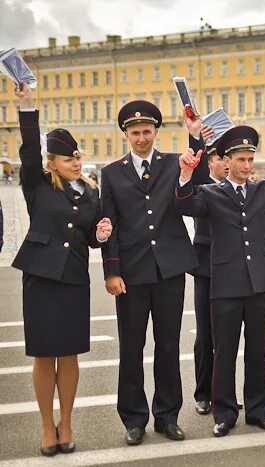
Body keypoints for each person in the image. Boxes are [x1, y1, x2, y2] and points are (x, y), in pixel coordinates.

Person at [175, 126, 265, 437]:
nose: (247, 165)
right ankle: (224, 413)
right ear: (227, 161)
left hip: (257, 283)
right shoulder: (211, 193)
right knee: (224, 351)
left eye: (250, 159)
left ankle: (258, 411)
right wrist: (185, 176)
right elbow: (185, 205)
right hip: (224, 285)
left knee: (256, 351)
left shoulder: (261, 190)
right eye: (241, 159)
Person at [12, 82, 112, 456]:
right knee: (43, 355)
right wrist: (27, 106)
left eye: (77, 157)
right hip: (39, 277)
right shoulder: (37, 185)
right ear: (52, 161)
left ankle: (66, 423)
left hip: (72, 278)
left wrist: (101, 234)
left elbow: (91, 237)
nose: (76, 163)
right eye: (68, 158)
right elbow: (26, 148)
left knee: (68, 354)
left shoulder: (91, 193)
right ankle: (44, 426)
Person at [100, 100, 207, 445]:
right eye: (135, 132)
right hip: (130, 273)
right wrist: (111, 271)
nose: (142, 137)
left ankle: (167, 416)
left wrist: (195, 140)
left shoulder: (174, 163)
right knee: (131, 348)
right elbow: (109, 223)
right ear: (126, 134)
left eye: (147, 131)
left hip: (169, 270)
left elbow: (197, 185)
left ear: (156, 132)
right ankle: (133, 419)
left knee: (168, 347)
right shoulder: (112, 172)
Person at [185, 124, 226, 416]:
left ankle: (223, 393)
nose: (226, 162)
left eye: (229, 157)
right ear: (209, 161)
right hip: (206, 268)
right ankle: (203, 393)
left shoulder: (240, 185)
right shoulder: (203, 185)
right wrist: (196, 136)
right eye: (220, 157)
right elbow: (195, 174)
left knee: (227, 337)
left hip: (233, 267)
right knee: (205, 335)